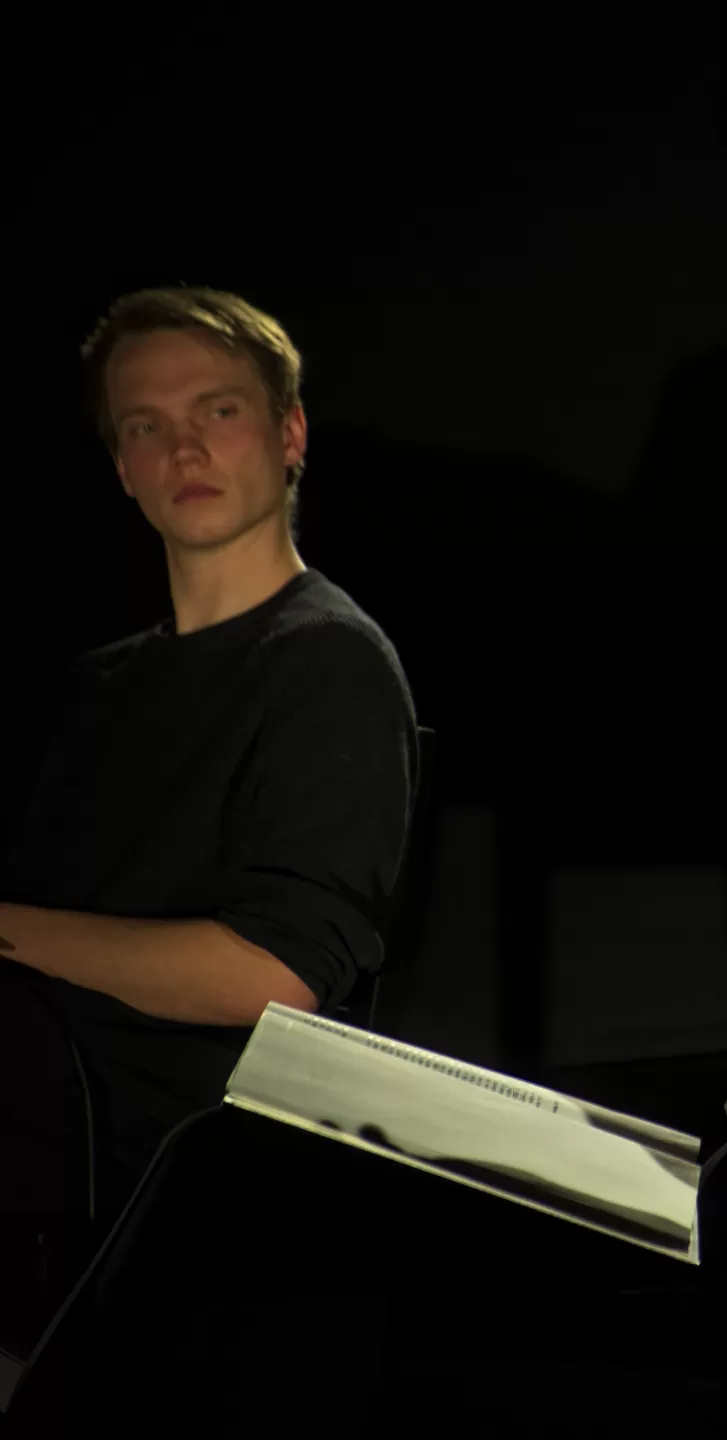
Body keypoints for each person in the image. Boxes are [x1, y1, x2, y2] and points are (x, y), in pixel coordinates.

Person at [0, 287, 418, 1355]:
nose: (182, 445)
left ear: (289, 435)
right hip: (61, 1163)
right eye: (146, 425)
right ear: (121, 464)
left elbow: (274, 974)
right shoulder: (101, 686)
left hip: (200, 1207)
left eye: (217, 411)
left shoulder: (327, 663)